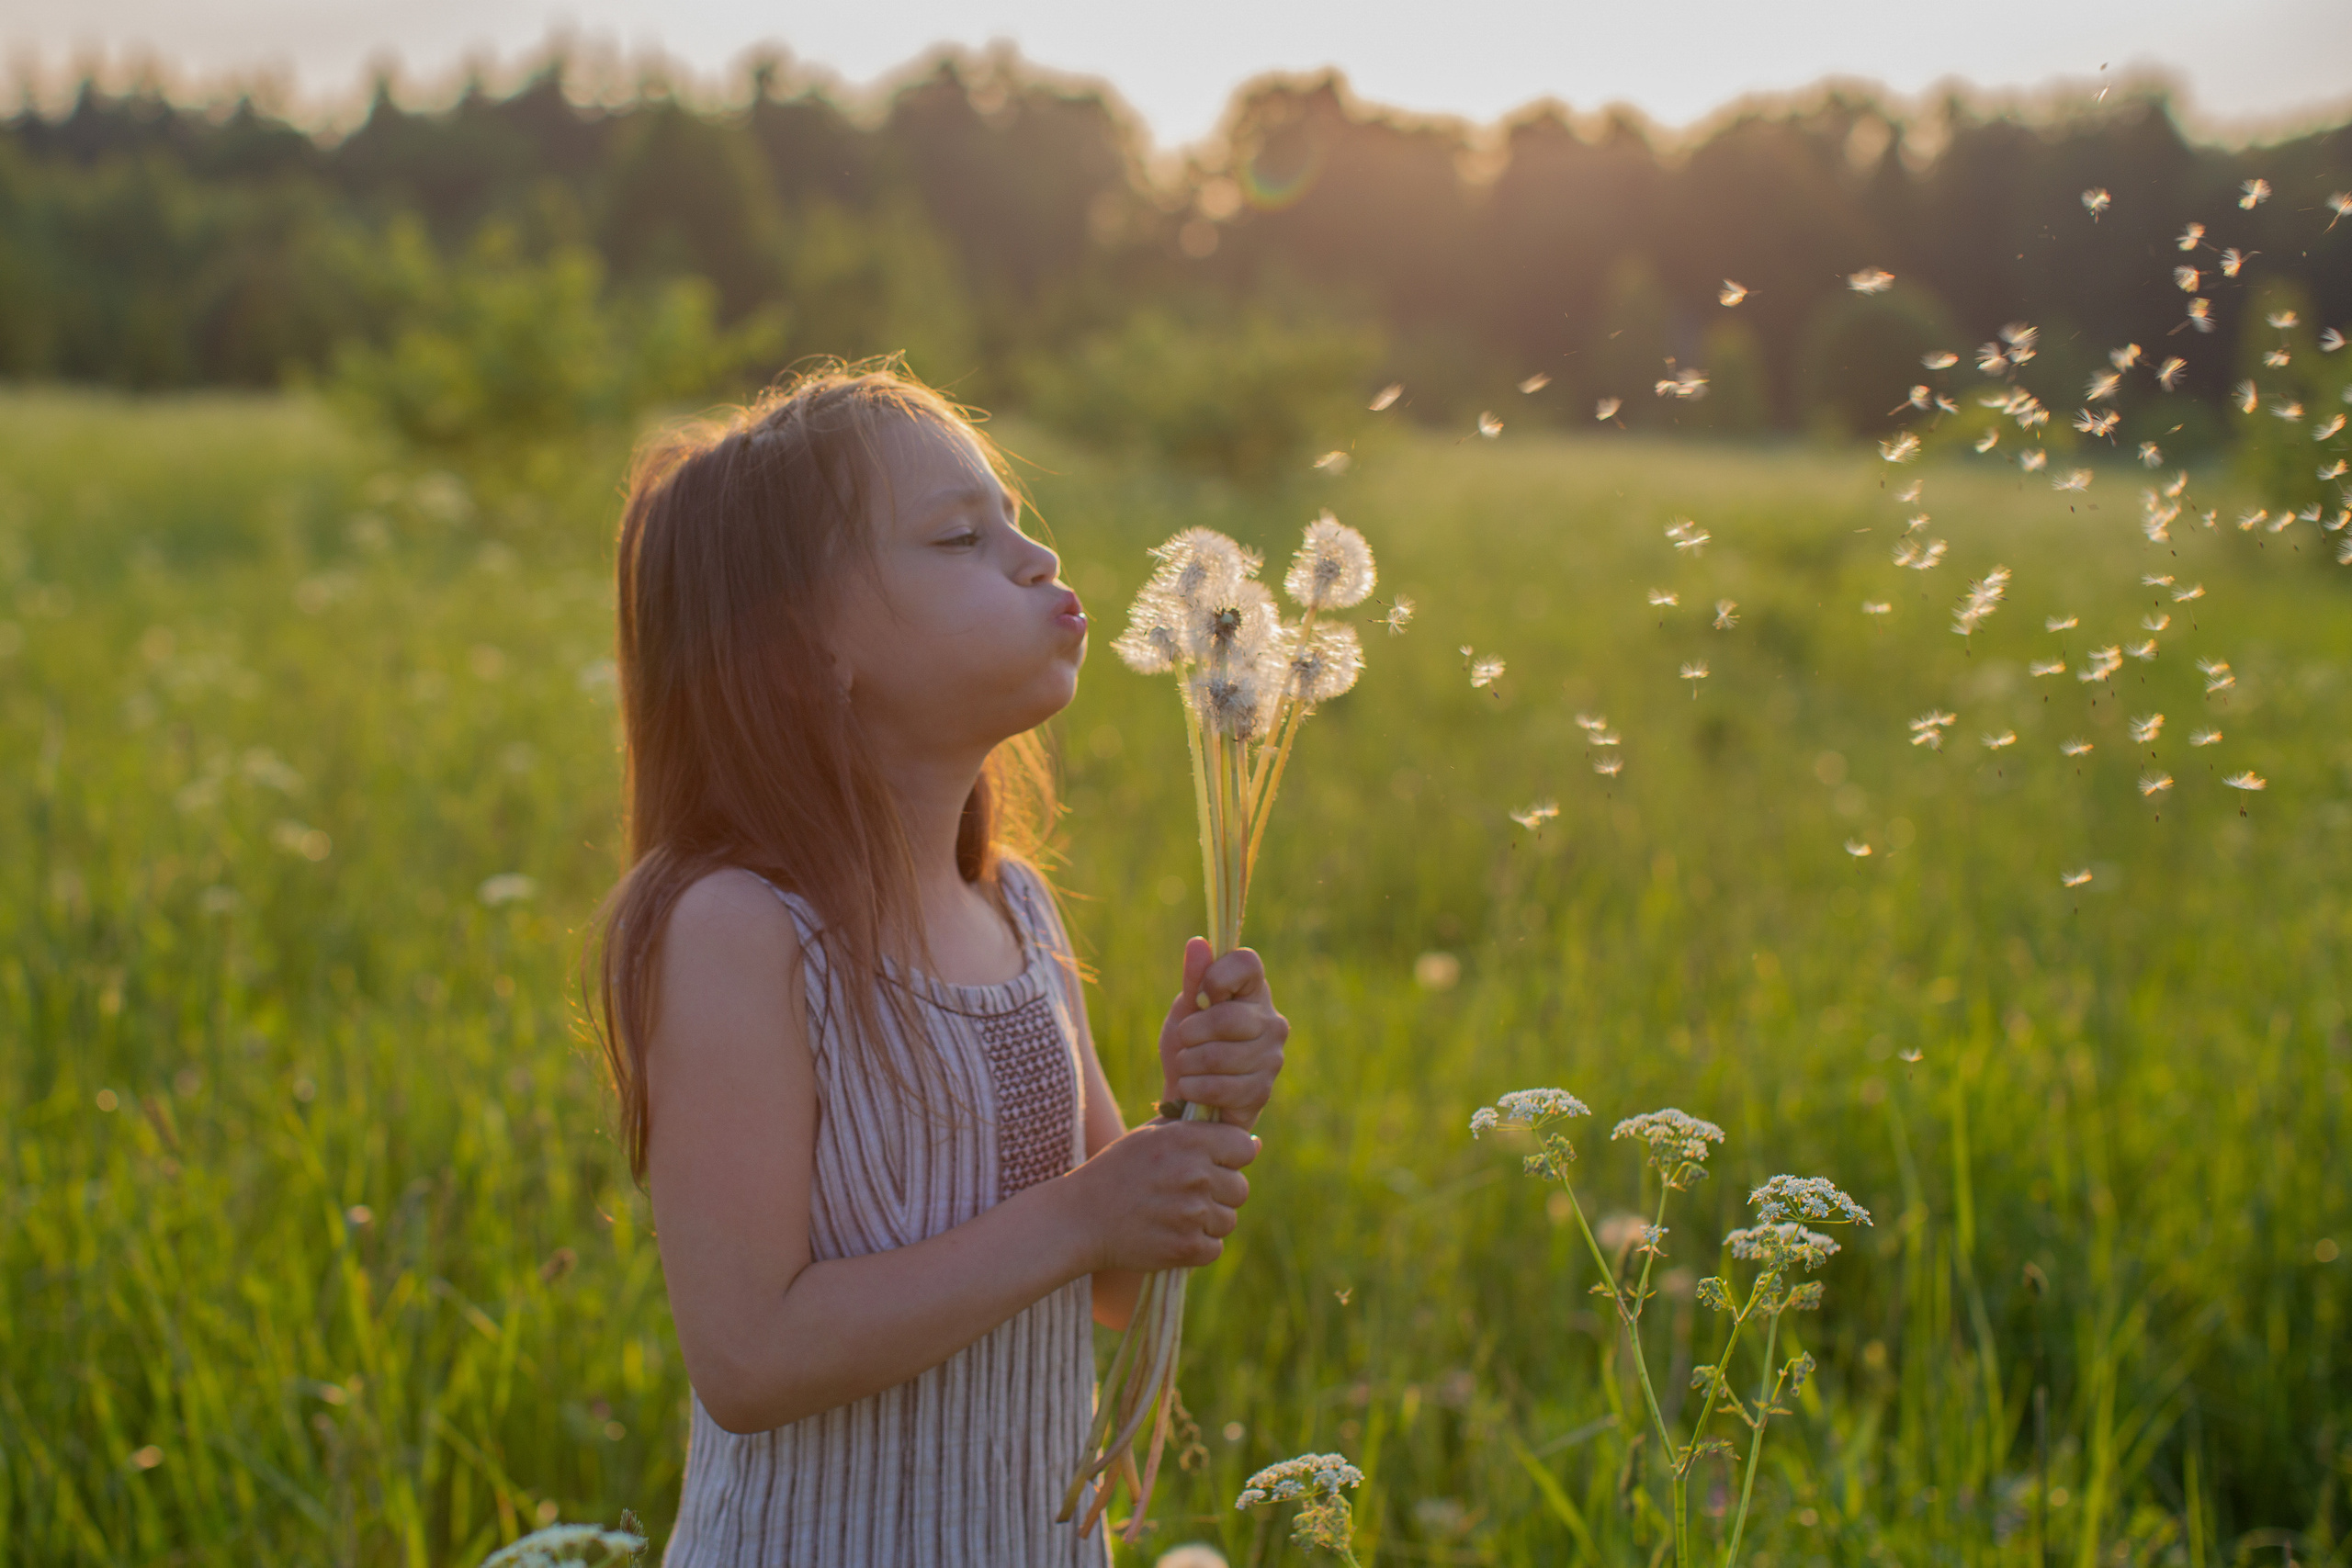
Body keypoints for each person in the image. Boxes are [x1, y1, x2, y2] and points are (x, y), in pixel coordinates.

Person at [589, 357, 1289, 1565]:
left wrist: (1191, 1110)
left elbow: (1111, 1281)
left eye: (1014, 522)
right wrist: (1081, 1216)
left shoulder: (1013, 912)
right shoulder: (740, 932)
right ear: (810, 649)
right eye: (961, 537)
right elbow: (750, 1355)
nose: (1035, 560)